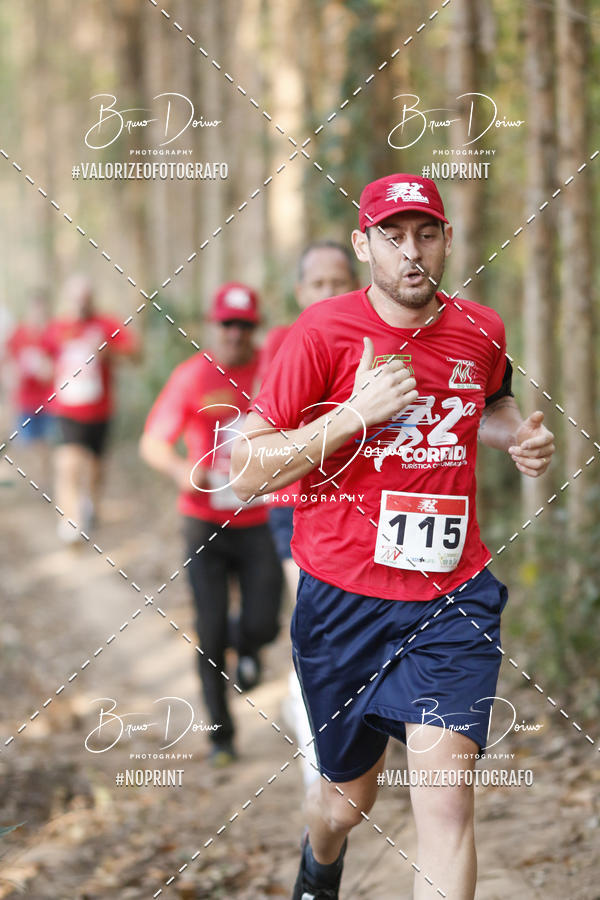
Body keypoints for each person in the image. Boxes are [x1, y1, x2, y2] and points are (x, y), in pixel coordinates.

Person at [231, 173, 555, 899]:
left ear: (446, 241)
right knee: (346, 803)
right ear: (363, 244)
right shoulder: (322, 335)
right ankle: (320, 864)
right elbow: (243, 469)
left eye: (427, 233)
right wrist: (352, 415)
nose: (411, 252)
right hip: (343, 602)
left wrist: (514, 437)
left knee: (445, 803)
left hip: (451, 600)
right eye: (392, 235)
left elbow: (489, 400)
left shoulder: (481, 328)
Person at [140, 281, 283, 768]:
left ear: (255, 328)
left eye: (245, 325)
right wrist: (183, 471)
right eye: (227, 324)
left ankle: (248, 647)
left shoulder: (274, 369)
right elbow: (153, 442)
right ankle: (221, 736)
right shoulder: (191, 377)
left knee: (264, 621)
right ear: (212, 325)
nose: (236, 334)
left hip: (261, 516)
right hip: (205, 522)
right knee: (209, 627)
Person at [259, 241, 359, 789]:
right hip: (296, 503)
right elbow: (269, 435)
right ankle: (315, 746)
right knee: (315, 617)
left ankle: (355, 732)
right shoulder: (285, 343)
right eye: (317, 285)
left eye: (338, 282)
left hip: (363, 511)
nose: (328, 294)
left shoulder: (381, 342)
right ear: (300, 293)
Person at [48, 275, 138, 541]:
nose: (80, 304)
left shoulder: (106, 324)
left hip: (100, 411)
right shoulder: (58, 327)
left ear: (92, 299)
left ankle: (91, 504)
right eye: (76, 299)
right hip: (67, 409)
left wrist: (109, 352)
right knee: (68, 463)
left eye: (85, 299)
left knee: (96, 467)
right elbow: (44, 356)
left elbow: (135, 354)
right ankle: (70, 519)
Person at [5, 290, 56, 456]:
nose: (38, 314)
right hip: (25, 402)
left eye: (42, 310)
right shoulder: (18, 334)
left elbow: (62, 366)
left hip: (50, 401)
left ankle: (44, 481)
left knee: (47, 446)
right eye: (35, 309)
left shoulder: (53, 334)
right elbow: (7, 363)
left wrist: (47, 368)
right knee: (28, 447)